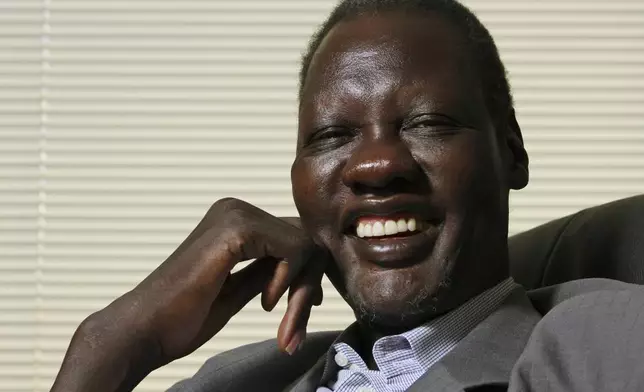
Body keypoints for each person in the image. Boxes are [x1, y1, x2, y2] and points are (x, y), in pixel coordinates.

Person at [50, 1, 644, 391]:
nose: (376, 164)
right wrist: (115, 343)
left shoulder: (601, 342)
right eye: (333, 136)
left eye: (428, 122)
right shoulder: (234, 380)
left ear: (510, 152)